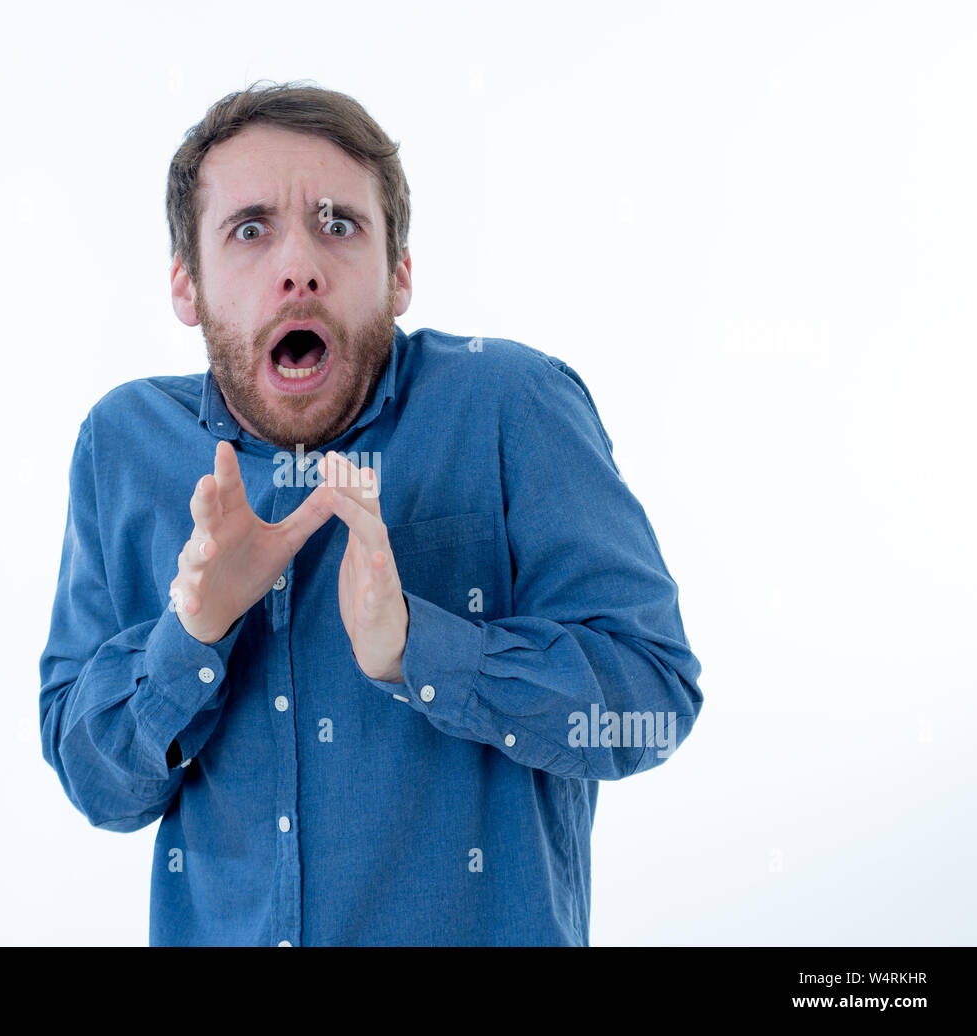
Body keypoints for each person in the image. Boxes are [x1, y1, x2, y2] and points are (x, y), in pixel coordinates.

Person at [38, 80, 704, 946]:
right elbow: (97, 785)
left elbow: (652, 700)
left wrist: (417, 650)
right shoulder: (124, 444)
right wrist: (193, 634)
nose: (299, 265)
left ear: (399, 276)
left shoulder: (512, 404)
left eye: (338, 225)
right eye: (249, 231)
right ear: (186, 286)